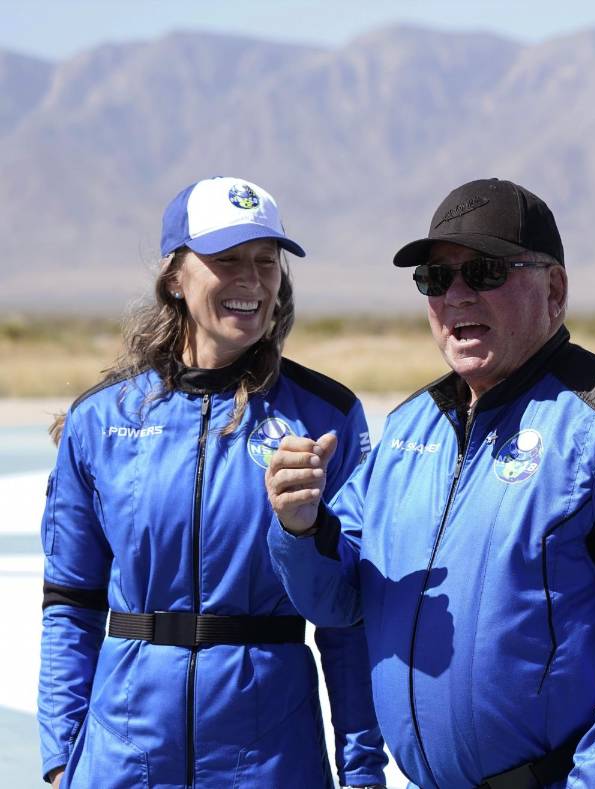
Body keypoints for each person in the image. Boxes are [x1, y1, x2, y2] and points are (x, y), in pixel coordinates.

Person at [264, 178, 595, 788]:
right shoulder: (411, 427)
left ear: (554, 288)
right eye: (436, 279)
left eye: (486, 272)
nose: (458, 295)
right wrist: (301, 528)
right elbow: (337, 599)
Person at [38, 176, 388, 788]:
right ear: (175, 276)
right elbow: (71, 601)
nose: (251, 280)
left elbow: (348, 618)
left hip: (270, 763)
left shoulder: (325, 417)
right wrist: (62, 759)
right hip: (122, 760)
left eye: (266, 261)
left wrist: (361, 772)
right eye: (226, 260)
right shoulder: (100, 420)